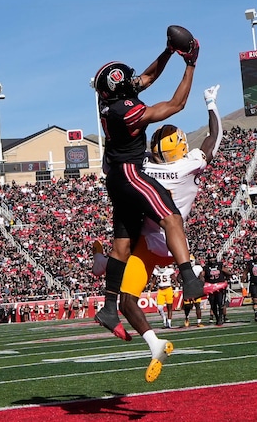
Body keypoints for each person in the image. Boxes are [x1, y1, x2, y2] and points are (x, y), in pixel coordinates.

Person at [92, 83, 223, 382]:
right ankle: (157, 342)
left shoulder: (144, 167)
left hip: (147, 247)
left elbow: (111, 164)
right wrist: (211, 104)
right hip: (175, 248)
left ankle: (104, 270)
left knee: (126, 297)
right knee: (158, 218)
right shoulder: (191, 163)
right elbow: (213, 138)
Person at [91, 31, 203, 341]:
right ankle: (189, 277)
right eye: (128, 78)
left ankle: (110, 307)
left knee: (122, 246)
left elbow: (148, 77)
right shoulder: (126, 113)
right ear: (119, 85)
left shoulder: (111, 100)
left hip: (116, 175)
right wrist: (190, 64)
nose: (135, 79)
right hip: (130, 173)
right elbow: (177, 104)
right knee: (170, 215)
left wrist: (168, 52)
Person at [203, 254, 232, 326]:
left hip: (220, 287)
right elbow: (202, 276)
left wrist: (227, 279)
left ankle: (220, 318)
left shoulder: (219, 265)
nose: (212, 259)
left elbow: (228, 272)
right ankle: (216, 317)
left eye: (213, 258)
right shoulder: (206, 267)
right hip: (211, 288)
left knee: (220, 303)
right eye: (210, 258)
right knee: (213, 305)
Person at [183, 254, 205, 328]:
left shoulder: (198, 268)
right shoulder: (185, 269)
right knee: (187, 306)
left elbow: (201, 277)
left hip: (196, 288)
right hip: (188, 289)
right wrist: (184, 283)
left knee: (197, 305)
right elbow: (179, 277)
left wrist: (201, 284)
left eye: (191, 261)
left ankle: (199, 321)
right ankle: (187, 317)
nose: (190, 262)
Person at [151, 264, 176, 329]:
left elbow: (175, 279)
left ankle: (169, 323)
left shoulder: (169, 270)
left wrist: (176, 288)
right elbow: (153, 281)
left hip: (168, 289)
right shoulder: (156, 271)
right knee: (159, 307)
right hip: (160, 290)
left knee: (169, 307)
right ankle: (164, 318)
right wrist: (149, 290)